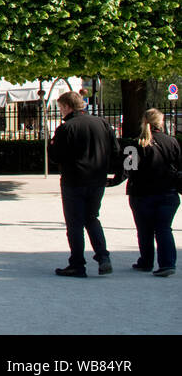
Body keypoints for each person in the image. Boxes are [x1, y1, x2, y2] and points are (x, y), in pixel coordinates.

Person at [48, 90, 121, 276]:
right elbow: (115, 150)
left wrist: (51, 145)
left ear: (67, 106)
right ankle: (103, 256)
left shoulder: (66, 128)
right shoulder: (102, 123)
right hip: (97, 180)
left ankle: (77, 264)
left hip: (74, 180)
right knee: (92, 218)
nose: (61, 111)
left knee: (74, 224)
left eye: (60, 108)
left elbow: (56, 157)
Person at [125, 109, 181, 277]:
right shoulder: (172, 142)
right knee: (164, 229)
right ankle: (167, 263)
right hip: (168, 192)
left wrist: (111, 182)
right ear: (161, 122)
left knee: (144, 230)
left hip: (142, 193)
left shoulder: (135, 144)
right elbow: (179, 166)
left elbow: (128, 169)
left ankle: (146, 261)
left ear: (143, 121)